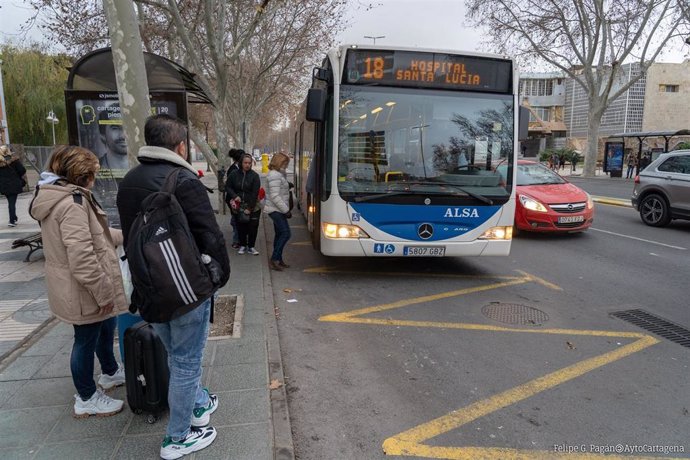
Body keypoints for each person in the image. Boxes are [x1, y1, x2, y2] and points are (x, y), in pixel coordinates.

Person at [116, 115, 230, 459]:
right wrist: (218, 277)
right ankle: (177, 438)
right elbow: (209, 236)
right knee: (186, 362)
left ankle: (197, 403)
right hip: (185, 291)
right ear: (181, 145)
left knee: (175, 353)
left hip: (148, 288)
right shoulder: (182, 179)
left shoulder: (129, 180)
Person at [28, 145, 128, 418]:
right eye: (92, 173)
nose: (95, 177)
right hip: (82, 288)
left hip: (74, 285)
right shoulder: (72, 204)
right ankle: (86, 397)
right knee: (85, 339)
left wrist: (129, 232)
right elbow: (83, 258)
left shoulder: (63, 197)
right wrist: (104, 293)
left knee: (103, 327)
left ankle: (109, 371)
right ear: (81, 175)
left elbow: (100, 237)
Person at [225, 153, 261, 255]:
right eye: (245, 163)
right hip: (239, 205)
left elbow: (255, 194)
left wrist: (250, 208)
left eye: (249, 163)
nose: (247, 165)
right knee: (241, 226)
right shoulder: (234, 174)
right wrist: (234, 196)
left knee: (253, 227)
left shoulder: (255, 176)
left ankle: (251, 247)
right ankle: (242, 245)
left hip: (253, 206)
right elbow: (228, 187)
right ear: (241, 163)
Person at [264, 152, 292, 271]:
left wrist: (287, 185)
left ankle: (278, 260)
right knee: (286, 233)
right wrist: (286, 210)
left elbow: (277, 190)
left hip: (277, 209)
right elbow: (275, 196)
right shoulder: (275, 175)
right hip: (275, 210)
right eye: (285, 163)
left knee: (280, 234)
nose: (286, 165)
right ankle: (274, 259)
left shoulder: (278, 174)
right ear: (279, 162)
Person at [0, 145, 27, 226]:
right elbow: (22, 170)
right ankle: (12, 221)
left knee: (10, 201)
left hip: (3, 185)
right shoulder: (14, 161)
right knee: (12, 203)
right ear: (8, 151)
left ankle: (14, 217)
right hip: (13, 184)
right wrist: (17, 176)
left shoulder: (0, 162)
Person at [98, 106, 129, 171]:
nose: (123, 136)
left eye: (128, 127)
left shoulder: (145, 167)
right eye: (115, 128)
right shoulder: (93, 169)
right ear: (103, 135)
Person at [226, 149, 243, 249]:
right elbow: (230, 187)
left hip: (239, 199)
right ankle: (236, 241)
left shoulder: (240, 168)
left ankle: (238, 238)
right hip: (233, 199)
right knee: (237, 219)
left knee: (236, 218)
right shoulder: (233, 170)